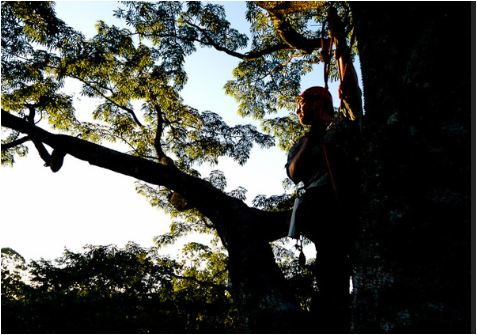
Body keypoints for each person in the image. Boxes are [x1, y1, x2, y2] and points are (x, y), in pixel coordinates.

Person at [286, 86, 358, 332]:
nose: (299, 110)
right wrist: (312, 138)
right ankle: (332, 307)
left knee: (336, 258)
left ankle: (335, 304)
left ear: (318, 103)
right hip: (319, 203)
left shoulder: (342, 126)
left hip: (345, 200)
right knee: (330, 258)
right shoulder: (302, 143)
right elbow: (295, 174)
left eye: (304, 103)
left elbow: (352, 97)